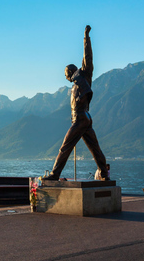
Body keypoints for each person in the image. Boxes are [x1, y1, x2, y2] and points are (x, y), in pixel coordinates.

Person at [43, 25, 109, 181]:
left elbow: (88, 57)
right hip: (85, 118)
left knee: (65, 147)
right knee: (95, 149)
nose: (65, 76)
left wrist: (86, 37)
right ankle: (104, 174)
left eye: (66, 73)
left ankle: (54, 174)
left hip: (80, 118)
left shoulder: (84, 76)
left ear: (70, 72)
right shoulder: (76, 85)